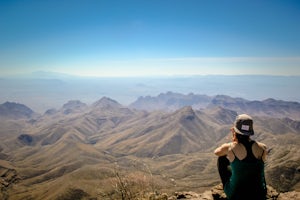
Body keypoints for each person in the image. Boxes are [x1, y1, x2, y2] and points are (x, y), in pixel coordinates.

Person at [214, 114, 267, 200]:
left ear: (235, 130)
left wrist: (233, 137)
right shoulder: (263, 147)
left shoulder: (230, 147)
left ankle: (233, 184)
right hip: (259, 194)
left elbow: (216, 152)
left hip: (236, 195)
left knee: (222, 159)